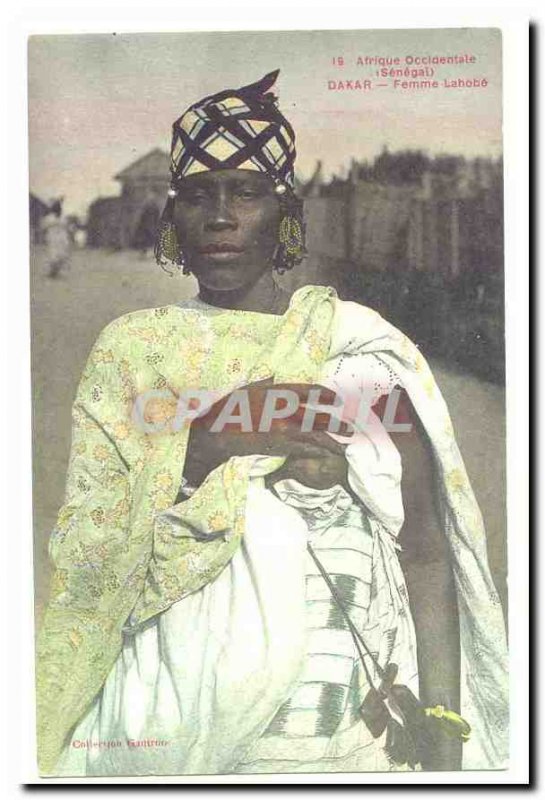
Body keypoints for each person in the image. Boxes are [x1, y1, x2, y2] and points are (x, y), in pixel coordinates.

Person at [36, 71, 508, 777]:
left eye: (246, 192)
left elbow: (424, 550)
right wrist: (205, 449)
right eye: (198, 196)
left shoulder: (354, 346)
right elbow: (86, 553)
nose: (220, 215)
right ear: (173, 220)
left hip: (349, 736)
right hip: (175, 723)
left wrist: (442, 726)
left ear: (285, 214)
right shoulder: (134, 353)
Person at [40, 198, 71, 278]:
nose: (59, 210)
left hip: (63, 239)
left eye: (59, 209)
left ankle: (55, 272)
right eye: (57, 209)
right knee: (53, 256)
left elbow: (67, 228)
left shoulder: (63, 218)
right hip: (53, 239)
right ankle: (53, 273)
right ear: (54, 210)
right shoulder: (49, 218)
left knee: (62, 255)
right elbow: (43, 227)